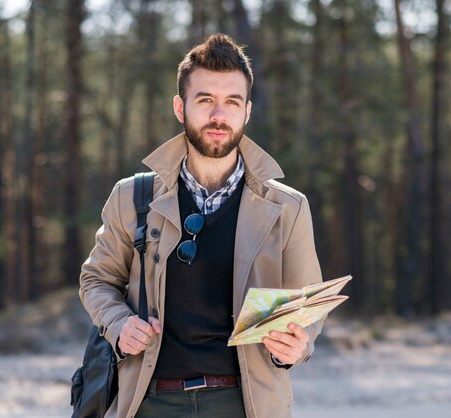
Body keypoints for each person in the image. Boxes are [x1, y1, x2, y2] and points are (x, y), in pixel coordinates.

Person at [79, 33, 323, 418]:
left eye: (232, 102)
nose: (218, 115)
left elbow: (308, 304)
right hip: (148, 401)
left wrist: (299, 344)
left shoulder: (287, 207)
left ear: (247, 111)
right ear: (181, 107)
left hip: (245, 404)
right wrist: (119, 324)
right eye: (205, 100)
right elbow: (96, 281)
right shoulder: (132, 197)